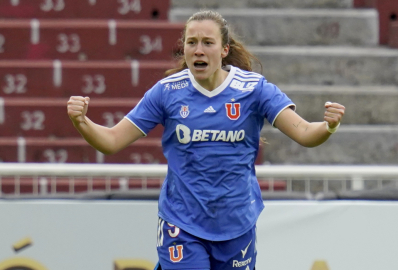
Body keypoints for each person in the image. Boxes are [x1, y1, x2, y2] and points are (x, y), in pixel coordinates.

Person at [67, 10, 345, 270]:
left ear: (224, 50)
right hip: (182, 224)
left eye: (207, 43)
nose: (198, 50)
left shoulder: (253, 89)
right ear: (184, 48)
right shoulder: (167, 92)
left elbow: (305, 133)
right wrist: (82, 122)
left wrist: (328, 126)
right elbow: (112, 141)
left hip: (237, 224)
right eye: (192, 42)